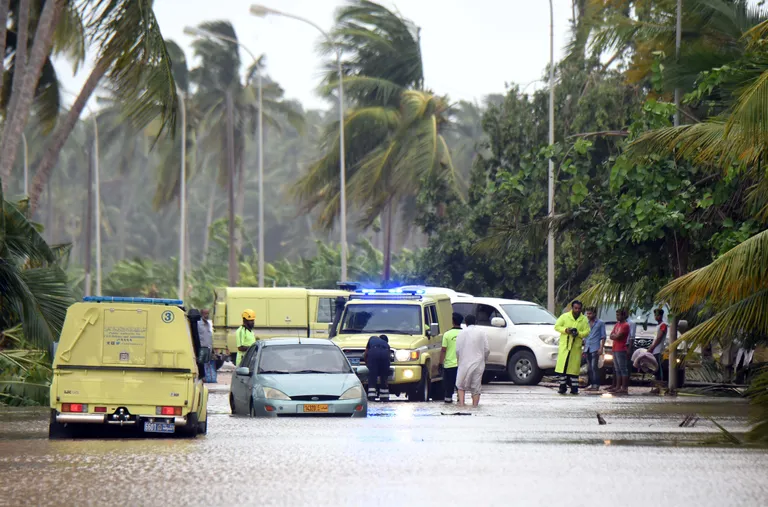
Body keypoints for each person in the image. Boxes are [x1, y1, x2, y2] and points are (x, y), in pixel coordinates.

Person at [554, 300, 590, 395]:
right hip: (565, 346)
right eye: (575, 308)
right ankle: (562, 387)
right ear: (572, 308)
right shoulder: (565, 316)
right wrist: (566, 330)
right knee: (563, 368)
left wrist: (578, 334)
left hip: (575, 347)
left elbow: (586, 332)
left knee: (574, 370)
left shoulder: (584, 319)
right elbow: (557, 326)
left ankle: (574, 388)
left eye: (579, 308)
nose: (577, 310)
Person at [455, 315, 490, 407]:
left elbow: (457, 350)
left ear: (465, 323)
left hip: (464, 363)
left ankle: (461, 405)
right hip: (478, 363)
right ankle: (475, 407)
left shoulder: (461, 333)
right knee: (476, 387)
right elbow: (487, 349)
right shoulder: (481, 332)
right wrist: (484, 359)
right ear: (476, 321)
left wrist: (459, 360)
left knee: (460, 385)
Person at [439, 313, 463, 403]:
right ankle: (460, 401)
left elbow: (443, 350)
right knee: (460, 387)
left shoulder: (447, 334)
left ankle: (448, 402)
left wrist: (440, 363)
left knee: (448, 388)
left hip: (449, 365)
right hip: (462, 365)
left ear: (452, 321)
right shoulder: (464, 333)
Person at [607, 308, 631, 395]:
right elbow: (611, 335)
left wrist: (615, 336)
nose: (617, 317)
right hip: (615, 348)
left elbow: (618, 336)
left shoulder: (625, 325)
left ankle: (624, 387)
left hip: (621, 348)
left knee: (623, 369)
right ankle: (617, 386)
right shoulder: (617, 324)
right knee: (617, 369)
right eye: (616, 315)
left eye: (619, 315)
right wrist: (615, 336)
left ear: (624, 315)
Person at [583, 306, 606, 392]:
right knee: (589, 367)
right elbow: (585, 337)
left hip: (595, 347)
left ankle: (596, 385)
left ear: (595, 314)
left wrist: (601, 348)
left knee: (594, 367)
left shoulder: (600, 323)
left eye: (590, 313)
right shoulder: (586, 323)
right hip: (587, 347)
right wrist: (584, 348)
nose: (588, 315)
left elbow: (603, 336)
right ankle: (591, 384)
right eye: (587, 313)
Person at [646, 308, 668, 394]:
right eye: (655, 315)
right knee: (655, 368)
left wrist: (652, 347)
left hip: (659, 350)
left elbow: (659, 338)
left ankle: (659, 387)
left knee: (658, 368)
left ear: (661, 316)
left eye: (658, 315)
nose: (656, 317)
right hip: (655, 349)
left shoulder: (663, 325)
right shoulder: (658, 326)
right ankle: (657, 386)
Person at [363, 334, 391, 401]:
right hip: (385, 354)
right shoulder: (387, 345)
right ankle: (384, 397)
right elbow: (389, 357)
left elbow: (366, 353)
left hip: (373, 353)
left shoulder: (372, 338)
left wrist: (367, 364)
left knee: (373, 376)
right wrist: (386, 369)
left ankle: (371, 396)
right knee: (384, 377)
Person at [198, 309, 216, 383]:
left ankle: (209, 379)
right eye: (205, 313)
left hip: (209, 349)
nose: (207, 315)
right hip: (202, 349)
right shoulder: (198, 324)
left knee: (209, 365)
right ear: (201, 314)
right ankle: (203, 378)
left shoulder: (209, 324)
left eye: (208, 313)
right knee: (202, 365)